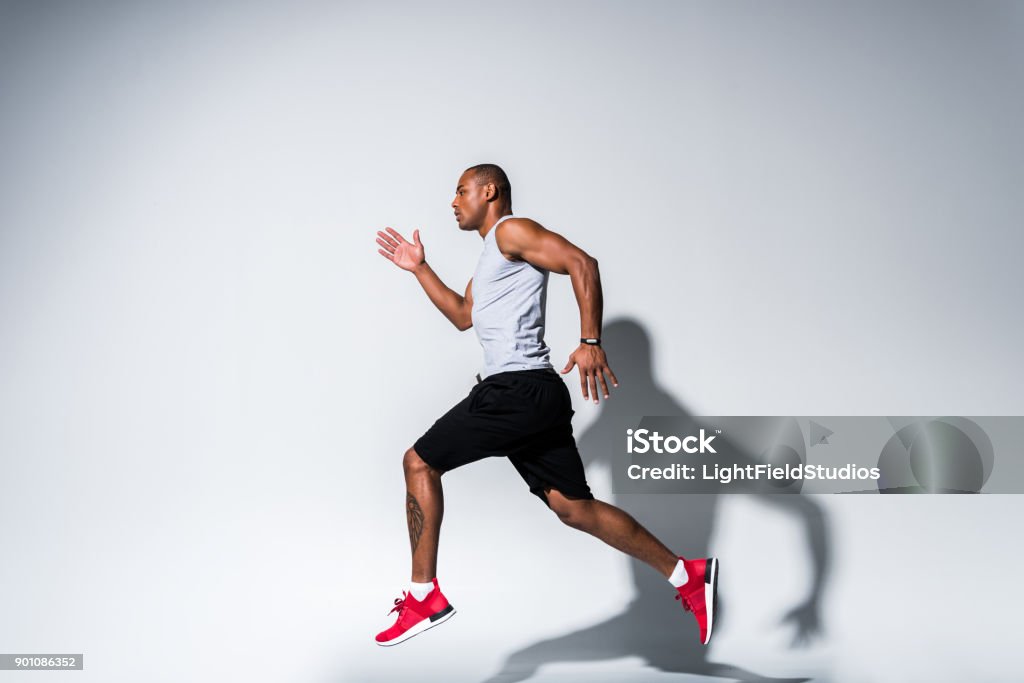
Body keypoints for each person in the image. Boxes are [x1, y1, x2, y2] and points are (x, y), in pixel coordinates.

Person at [373, 163, 718, 647]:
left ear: (488, 191)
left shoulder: (511, 230)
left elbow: (583, 263)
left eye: (460, 191)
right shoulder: (489, 263)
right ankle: (687, 575)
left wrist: (590, 339)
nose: (452, 202)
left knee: (418, 463)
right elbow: (462, 317)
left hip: (516, 391)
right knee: (574, 508)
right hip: (533, 395)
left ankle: (423, 595)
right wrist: (420, 268)